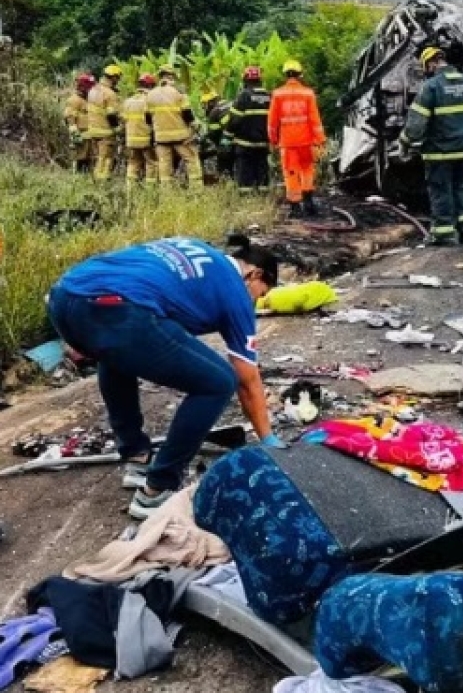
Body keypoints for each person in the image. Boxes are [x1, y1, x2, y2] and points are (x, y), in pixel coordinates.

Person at [47, 234, 284, 519]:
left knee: (116, 352)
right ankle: (157, 490)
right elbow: (248, 380)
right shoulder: (235, 290)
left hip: (64, 296)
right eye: (262, 292)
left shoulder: (197, 247)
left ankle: (136, 458)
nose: (257, 301)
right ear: (254, 273)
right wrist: (268, 439)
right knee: (219, 382)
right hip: (117, 307)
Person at [399, 46, 463, 245]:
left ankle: (443, 233)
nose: (426, 71)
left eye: (425, 66)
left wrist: (405, 142)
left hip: (439, 153)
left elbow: (416, 124)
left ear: (431, 63)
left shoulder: (431, 87)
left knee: (441, 190)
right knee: (462, 187)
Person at [268, 59, 325, 218]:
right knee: (307, 170)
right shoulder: (308, 93)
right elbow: (315, 119)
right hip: (306, 141)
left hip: (287, 142)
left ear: (286, 75)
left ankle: (295, 207)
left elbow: (272, 122)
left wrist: (273, 140)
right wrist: (320, 139)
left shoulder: (278, 94)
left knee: (291, 172)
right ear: (300, 75)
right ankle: (308, 202)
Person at [147, 65, 203, 187]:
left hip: (161, 137)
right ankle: (197, 190)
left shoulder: (151, 94)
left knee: (164, 164)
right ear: (171, 76)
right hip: (180, 136)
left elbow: (148, 119)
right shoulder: (178, 92)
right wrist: (195, 126)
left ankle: (166, 193)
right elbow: (187, 112)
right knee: (192, 160)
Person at [226, 65, 272, 191]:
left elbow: (234, 120)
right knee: (262, 167)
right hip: (263, 142)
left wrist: (226, 137)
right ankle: (263, 193)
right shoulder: (269, 96)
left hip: (245, 143)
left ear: (245, 80)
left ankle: (246, 195)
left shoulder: (243, 96)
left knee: (245, 169)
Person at [86, 64, 123, 182]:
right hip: (105, 133)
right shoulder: (109, 94)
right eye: (117, 78)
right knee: (105, 158)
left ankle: (94, 179)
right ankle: (102, 183)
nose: (118, 81)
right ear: (113, 77)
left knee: (96, 158)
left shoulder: (93, 89)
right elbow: (111, 114)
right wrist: (117, 128)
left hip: (92, 130)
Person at [122, 74, 157, 187]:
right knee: (151, 163)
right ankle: (150, 189)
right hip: (146, 139)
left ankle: (130, 187)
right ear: (151, 85)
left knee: (133, 163)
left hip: (131, 139)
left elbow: (124, 120)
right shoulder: (150, 100)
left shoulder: (128, 101)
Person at [63, 73, 95, 174]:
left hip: (89, 137)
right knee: (79, 159)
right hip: (80, 136)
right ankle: (77, 180)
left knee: (88, 160)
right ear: (82, 86)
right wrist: (75, 135)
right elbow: (69, 117)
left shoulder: (87, 100)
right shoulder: (74, 100)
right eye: (89, 86)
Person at [199, 91, 235, 180]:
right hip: (248, 136)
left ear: (210, 102)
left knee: (223, 154)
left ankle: (225, 177)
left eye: (204, 104)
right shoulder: (231, 103)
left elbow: (214, 135)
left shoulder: (214, 112)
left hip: (231, 139)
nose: (204, 108)